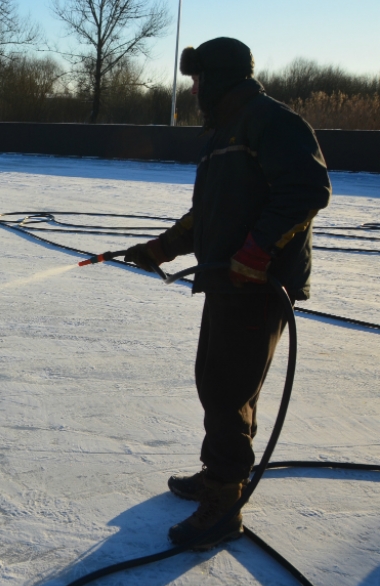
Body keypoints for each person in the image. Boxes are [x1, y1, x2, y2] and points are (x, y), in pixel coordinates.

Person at [124, 37, 331, 549]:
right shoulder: (223, 134)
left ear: (217, 78)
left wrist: (257, 252)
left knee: (228, 389)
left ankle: (224, 502)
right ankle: (219, 473)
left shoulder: (269, 121)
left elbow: (308, 188)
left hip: (257, 286)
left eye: (197, 80)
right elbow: (210, 212)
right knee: (216, 382)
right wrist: (161, 248)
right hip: (226, 281)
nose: (193, 90)